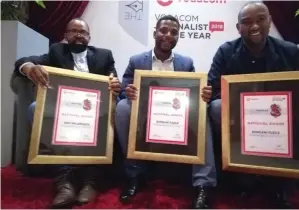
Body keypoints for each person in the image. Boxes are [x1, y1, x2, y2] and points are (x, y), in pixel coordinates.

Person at [14, 18, 121, 208]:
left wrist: (115, 85)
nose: (78, 35)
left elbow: (114, 81)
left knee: (112, 113)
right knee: (34, 108)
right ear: (66, 35)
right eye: (73, 31)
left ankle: (91, 180)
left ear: (89, 37)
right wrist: (29, 67)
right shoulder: (57, 51)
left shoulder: (104, 55)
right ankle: (65, 181)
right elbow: (23, 61)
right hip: (63, 109)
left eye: (83, 32)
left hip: (94, 110)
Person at [115, 15, 216, 209]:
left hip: (175, 114)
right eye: (163, 30)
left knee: (202, 111)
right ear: (155, 32)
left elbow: (193, 94)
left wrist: (203, 94)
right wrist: (128, 91)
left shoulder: (186, 63)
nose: (168, 35)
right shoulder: (136, 60)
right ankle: (134, 175)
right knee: (122, 108)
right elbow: (123, 90)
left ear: (178, 36)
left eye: (174, 32)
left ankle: (203, 184)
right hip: (145, 113)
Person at [208, 2, 299, 208]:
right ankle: (238, 175)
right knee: (215, 108)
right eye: (247, 22)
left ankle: (282, 181)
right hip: (239, 119)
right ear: (238, 28)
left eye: (261, 19)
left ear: (269, 21)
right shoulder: (225, 51)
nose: (255, 26)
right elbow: (213, 90)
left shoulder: (291, 51)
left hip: (279, 120)